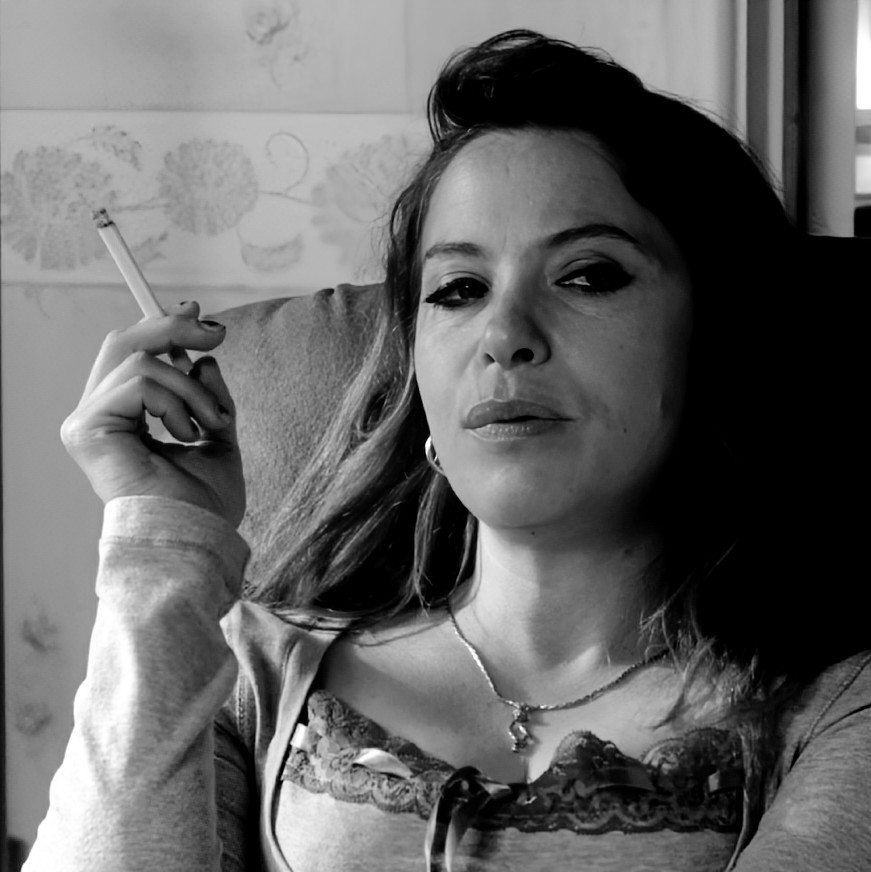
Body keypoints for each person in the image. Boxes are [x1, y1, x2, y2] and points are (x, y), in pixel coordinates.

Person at [24, 29, 870, 872]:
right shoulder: (250, 668)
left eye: (587, 275)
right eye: (459, 289)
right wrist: (161, 537)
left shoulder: (832, 712)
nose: (503, 336)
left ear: (717, 334)